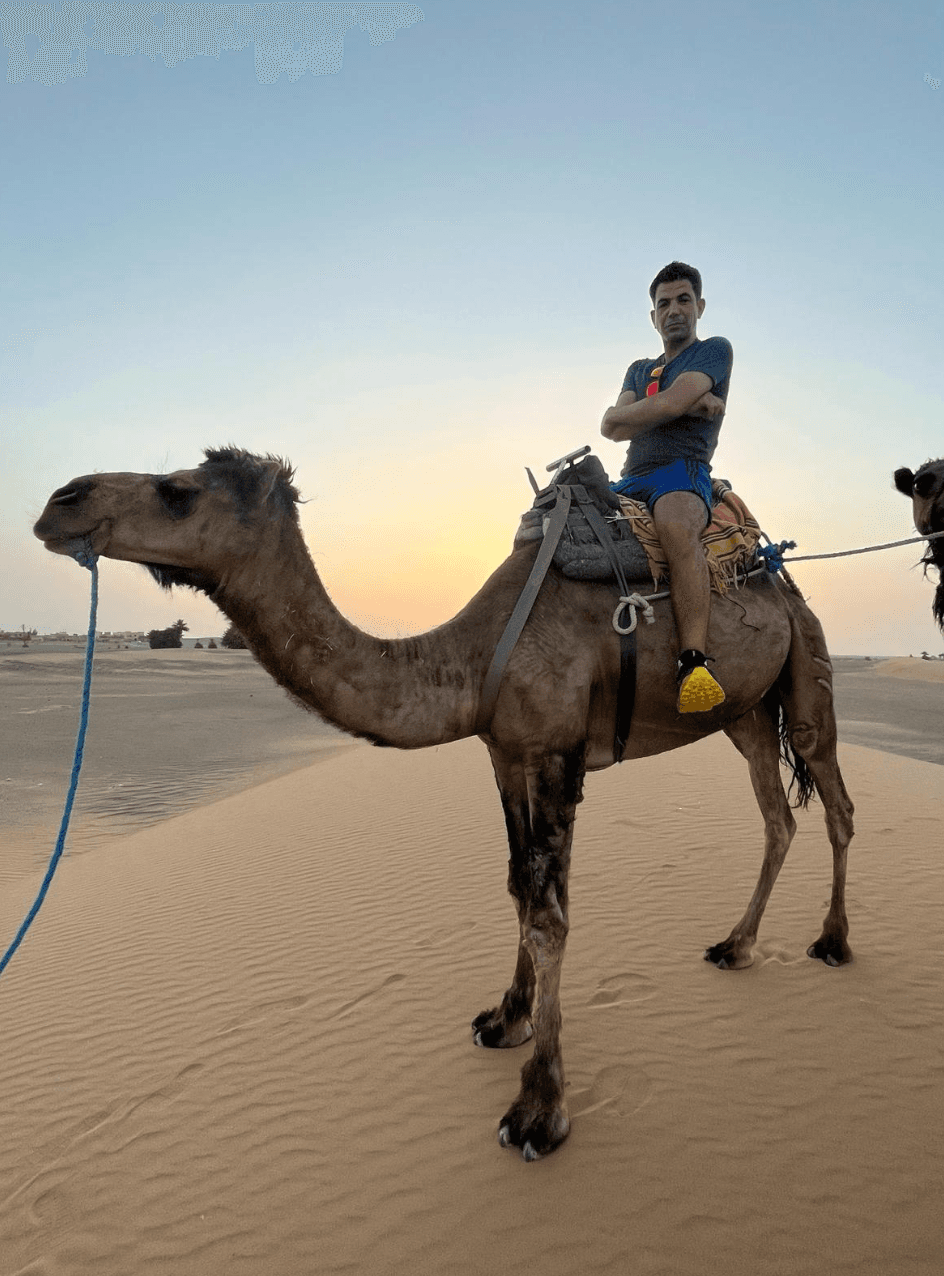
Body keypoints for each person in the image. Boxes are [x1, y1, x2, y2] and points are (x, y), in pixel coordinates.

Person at [600, 261, 733, 713]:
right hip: (630, 477)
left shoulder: (714, 350)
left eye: (682, 300)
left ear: (699, 306)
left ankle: (693, 662)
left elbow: (632, 414)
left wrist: (667, 404)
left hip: (682, 472)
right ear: (653, 316)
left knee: (677, 527)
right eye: (663, 304)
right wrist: (690, 403)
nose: (673, 310)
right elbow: (610, 427)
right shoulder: (639, 368)